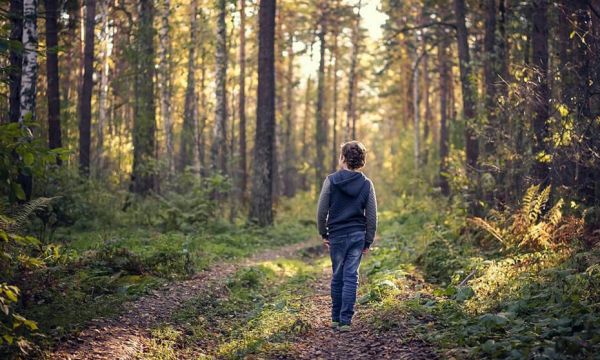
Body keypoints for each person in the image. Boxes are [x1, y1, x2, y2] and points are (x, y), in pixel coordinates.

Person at [316, 140, 378, 332]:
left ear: (342, 158)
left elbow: (321, 210)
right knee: (351, 276)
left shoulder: (331, 181)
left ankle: (335, 318)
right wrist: (368, 240)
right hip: (357, 236)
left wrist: (323, 232)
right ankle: (345, 321)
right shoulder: (367, 184)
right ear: (362, 161)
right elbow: (372, 216)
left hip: (337, 235)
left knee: (337, 275)